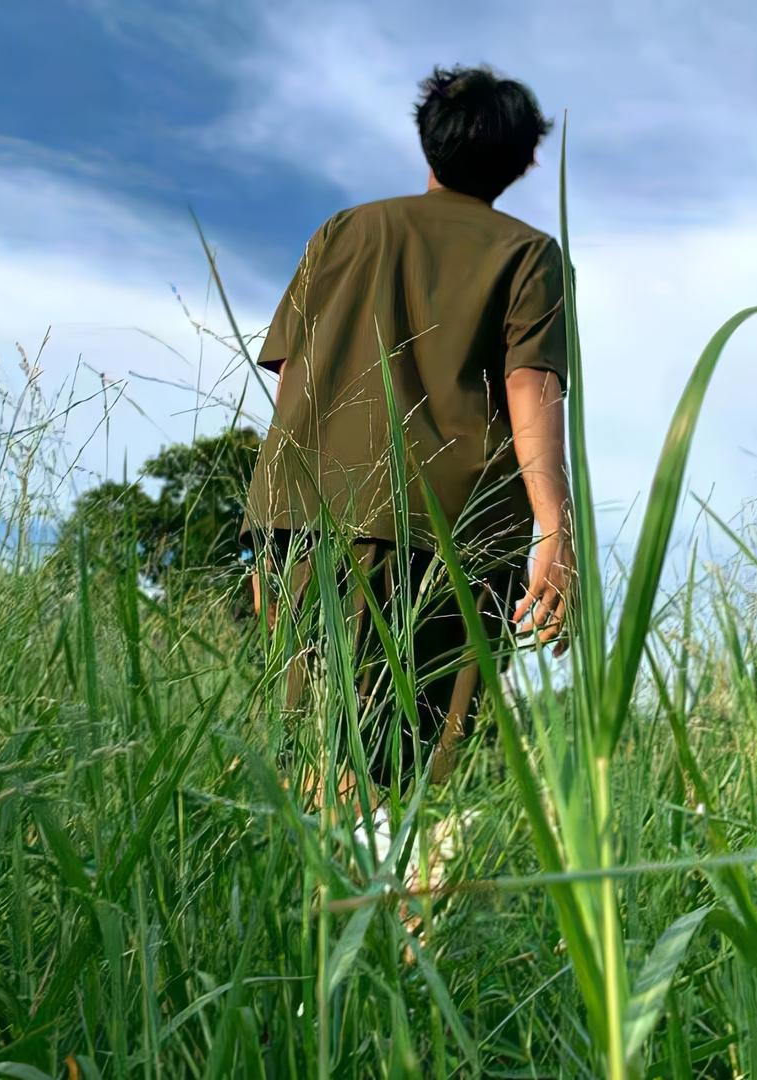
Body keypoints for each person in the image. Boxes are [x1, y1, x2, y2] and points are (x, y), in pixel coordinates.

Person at [242, 64, 574, 793]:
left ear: (428, 147)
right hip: (453, 532)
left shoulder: (346, 230)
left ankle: (317, 900)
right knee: (418, 776)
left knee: (313, 754)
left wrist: (275, 523)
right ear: (524, 160)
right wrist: (555, 525)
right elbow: (531, 384)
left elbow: (295, 374)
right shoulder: (528, 253)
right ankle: (396, 903)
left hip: (311, 517)